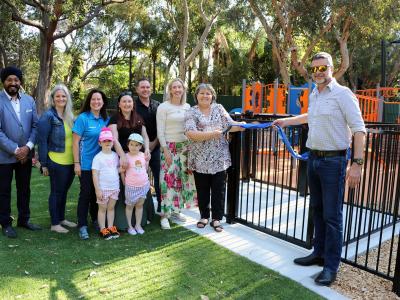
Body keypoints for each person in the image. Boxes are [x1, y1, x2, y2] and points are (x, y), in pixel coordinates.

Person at [272, 52, 366, 286]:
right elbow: (309, 116)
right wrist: (286, 121)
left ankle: (331, 266)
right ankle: (318, 253)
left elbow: (359, 130)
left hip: (334, 162)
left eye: (323, 68)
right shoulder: (314, 94)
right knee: (317, 209)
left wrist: (357, 163)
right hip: (313, 159)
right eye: (315, 69)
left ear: (332, 68)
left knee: (332, 216)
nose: (319, 72)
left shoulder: (343, 95)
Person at [185, 83, 245, 232]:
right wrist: (212, 134)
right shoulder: (191, 112)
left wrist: (242, 125)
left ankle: (216, 218)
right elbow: (190, 133)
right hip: (199, 158)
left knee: (219, 189)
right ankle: (204, 216)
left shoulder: (219, 108)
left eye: (208, 93)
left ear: (212, 96)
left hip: (220, 157)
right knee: (202, 189)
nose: (205, 96)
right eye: (202, 93)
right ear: (196, 96)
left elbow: (230, 125)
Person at [0, 66, 41, 238]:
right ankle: (6, 223)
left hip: (26, 155)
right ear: (4, 82)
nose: (13, 83)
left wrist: (28, 147)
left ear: (20, 82)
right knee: (3, 190)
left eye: (16, 80)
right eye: (9, 79)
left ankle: (24, 219)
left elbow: (35, 125)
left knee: (24, 188)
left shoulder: (29, 100)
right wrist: (16, 149)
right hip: (4, 156)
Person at [156, 78, 197, 230]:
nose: (177, 90)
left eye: (180, 87)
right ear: (170, 90)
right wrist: (165, 149)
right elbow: (160, 131)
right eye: (174, 87)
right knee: (167, 181)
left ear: (183, 89)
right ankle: (165, 216)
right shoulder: (163, 107)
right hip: (169, 148)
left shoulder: (188, 107)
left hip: (185, 148)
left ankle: (176, 211)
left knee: (181, 181)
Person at [108, 91, 151, 230]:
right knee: (123, 188)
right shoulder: (114, 119)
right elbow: (114, 139)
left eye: (129, 101)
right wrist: (123, 156)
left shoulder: (138, 118)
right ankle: (122, 223)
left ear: (133, 104)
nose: (127, 104)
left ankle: (140, 222)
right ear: (119, 104)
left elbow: (145, 137)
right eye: (124, 101)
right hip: (122, 158)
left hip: (137, 159)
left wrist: (147, 150)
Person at [37, 84, 76, 233]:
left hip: (70, 161)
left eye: (64, 96)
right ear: (53, 99)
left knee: (64, 191)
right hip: (56, 161)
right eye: (58, 96)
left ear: (67, 98)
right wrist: (44, 164)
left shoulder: (70, 116)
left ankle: (61, 218)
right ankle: (54, 224)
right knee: (56, 192)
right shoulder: (47, 117)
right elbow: (42, 142)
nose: (61, 98)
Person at [72, 89, 109, 240]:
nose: (96, 102)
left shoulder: (105, 119)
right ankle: (82, 225)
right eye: (93, 99)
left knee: (97, 194)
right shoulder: (83, 118)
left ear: (103, 102)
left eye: (99, 99)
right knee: (86, 194)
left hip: (102, 165)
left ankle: (95, 219)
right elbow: (75, 143)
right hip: (86, 164)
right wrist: (77, 164)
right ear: (89, 101)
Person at [135, 78, 161, 214]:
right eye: (142, 87)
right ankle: (143, 210)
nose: (145, 89)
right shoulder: (132, 105)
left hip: (155, 148)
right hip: (137, 150)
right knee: (138, 179)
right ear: (137, 89)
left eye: (147, 87)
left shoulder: (158, 105)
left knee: (159, 177)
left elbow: (162, 127)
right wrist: (145, 146)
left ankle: (161, 208)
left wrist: (153, 144)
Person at [92, 127, 120, 240]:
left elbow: (115, 170)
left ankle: (111, 227)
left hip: (114, 187)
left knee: (111, 208)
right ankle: (103, 228)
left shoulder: (115, 155)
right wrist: (97, 189)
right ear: (100, 143)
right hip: (103, 189)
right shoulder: (98, 158)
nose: (107, 143)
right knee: (102, 209)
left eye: (109, 140)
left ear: (113, 142)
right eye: (104, 141)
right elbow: (94, 174)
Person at [121, 133, 150, 236]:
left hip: (143, 186)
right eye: (131, 144)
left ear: (141, 146)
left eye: (137, 145)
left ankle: (138, 225)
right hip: (131, 187)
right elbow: (122, 172)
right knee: (129, 206)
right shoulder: (125, 157)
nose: (134, 147)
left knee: (139, 206)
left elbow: (145, 169)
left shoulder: (143, 156)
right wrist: (125, 183)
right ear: (128, 145)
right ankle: (130, 226)